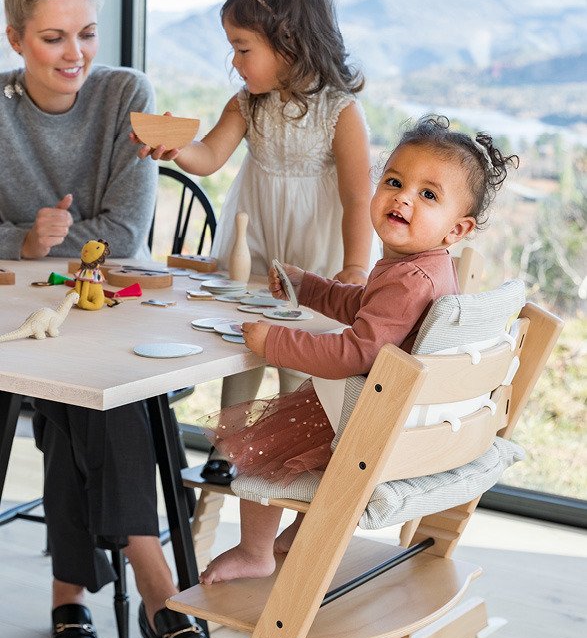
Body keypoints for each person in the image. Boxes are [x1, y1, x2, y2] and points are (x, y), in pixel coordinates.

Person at [196, 115, 518, 584]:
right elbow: (362, 307)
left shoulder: (410, 280)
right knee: (294, 446)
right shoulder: (418, 269)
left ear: (455, 230)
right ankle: (298, 534)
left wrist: (276, 342)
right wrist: (308, 287)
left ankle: (254, 551)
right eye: (394, 181)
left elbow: (357, 353)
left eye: (428, 195)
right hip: (386, 413)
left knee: (260, 450)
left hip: (362, 418)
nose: (403, 197)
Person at [0, 0, 207, 638]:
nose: (74, 54)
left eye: (86, 33)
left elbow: (121, 235)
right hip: (23, 310)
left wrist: (26, 242)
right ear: (16, 40)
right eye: (53, 37)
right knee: (78, 388)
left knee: (96, 381)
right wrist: (24, 243)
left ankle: (80, 592)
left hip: (113, 301)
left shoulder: (126, 94)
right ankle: (153, 584)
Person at [134, 0, 374, 467]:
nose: (235, 61)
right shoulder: (248, 104)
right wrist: (175, 148)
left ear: (290, 44)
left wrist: (354, 268)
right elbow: (209, 157)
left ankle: (288, 452)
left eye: (244, 48)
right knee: (241, 342)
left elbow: (357, 196)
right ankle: (229, 448)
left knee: (299, 357)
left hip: (316, 258)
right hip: (257, 247)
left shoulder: (340, 112)